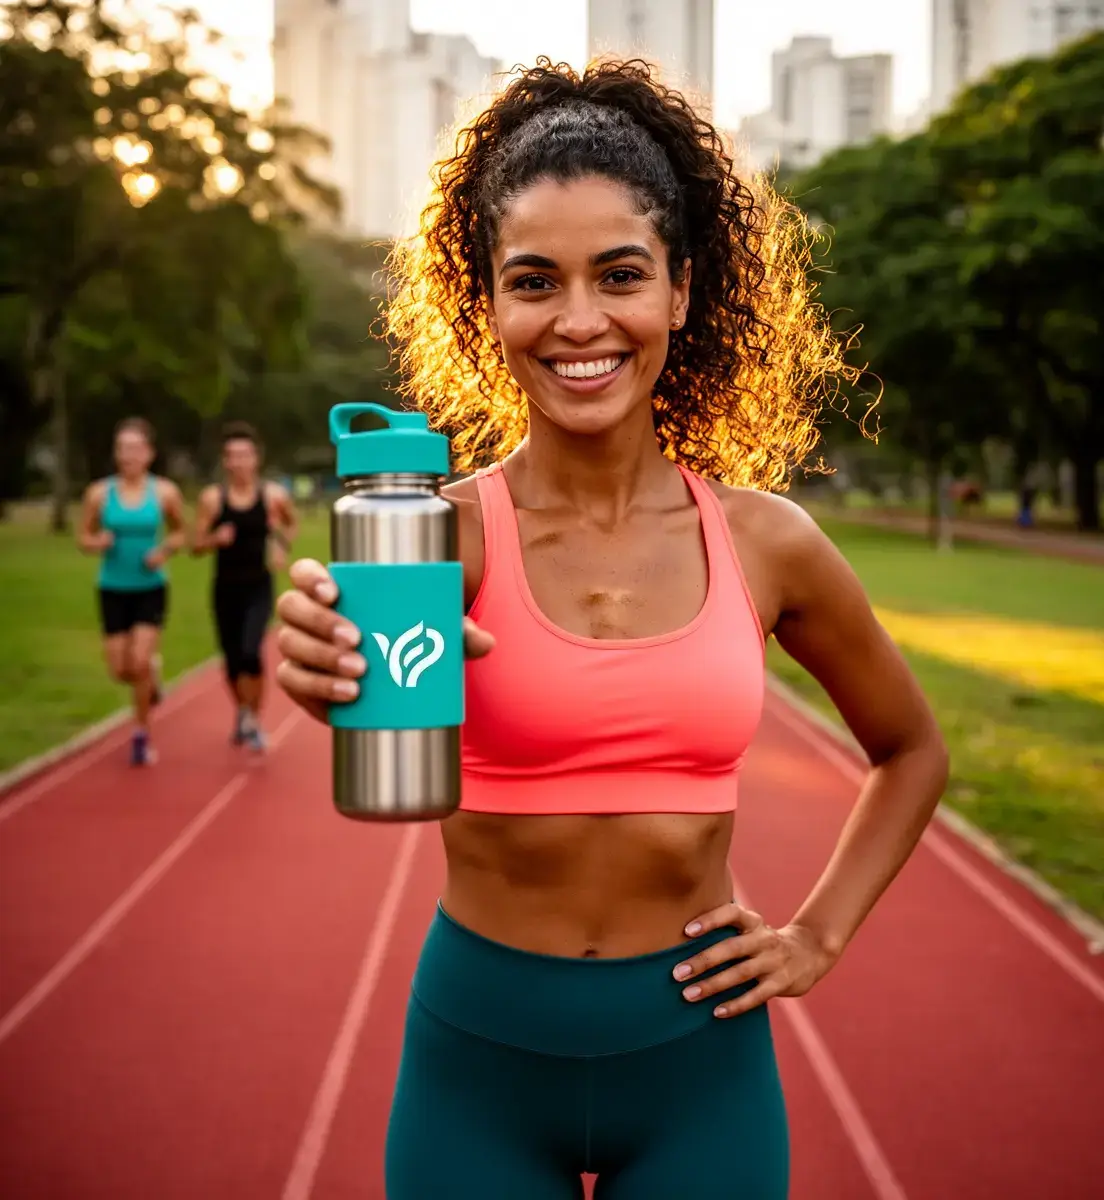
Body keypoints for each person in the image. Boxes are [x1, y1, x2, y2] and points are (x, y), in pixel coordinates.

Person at [275, 59, 950, 1198]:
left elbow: (912, 751)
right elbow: (350, 674)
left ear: (682, 291)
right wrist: (313, 655)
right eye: (534, 280)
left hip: (700, 1065)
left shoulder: (766, 543)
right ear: (488, 302)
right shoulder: (434, 539)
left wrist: (818, 935)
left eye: (620, 275)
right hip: (478, 1064)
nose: (579, 320)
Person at [77, 417, 186, 766]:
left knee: (137, 661)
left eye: (136, 448)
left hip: (150, 587)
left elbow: (179, 533)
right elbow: (83, 537)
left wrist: (163, 551)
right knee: (119, 669)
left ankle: (141, 733)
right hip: (112, 588)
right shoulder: (98, 493)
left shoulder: (165, 492)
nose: (129, 455)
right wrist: (98, 542)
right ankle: (152, 677)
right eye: (123, 449)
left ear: (149, 454)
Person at [192, 421, 298, 751]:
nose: (238, 462)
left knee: (252, 653)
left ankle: (253, 719)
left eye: (244, 455)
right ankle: (241, 710)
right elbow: (195, 545)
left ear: (256, 458)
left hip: (258, 587)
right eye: (232, 456)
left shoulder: (272, 496)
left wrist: (280, 545)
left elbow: (291, 526)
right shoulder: (213, 499)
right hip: (225, 588)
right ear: (225, 461)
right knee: (233, 660)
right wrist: (214, 539)